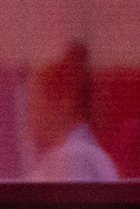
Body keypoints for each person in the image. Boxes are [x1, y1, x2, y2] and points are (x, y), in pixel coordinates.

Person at [25, 43, 119, 182]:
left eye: (33, 106)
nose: (30, 117)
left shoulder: (72, 157)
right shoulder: (86, 155)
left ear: (64, 103)